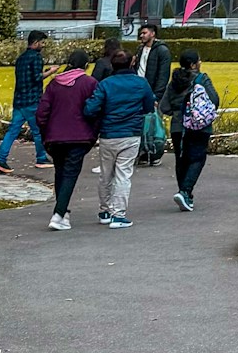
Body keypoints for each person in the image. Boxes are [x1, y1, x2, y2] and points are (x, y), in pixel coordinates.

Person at [83, 46, 156, 227]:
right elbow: (149, 107)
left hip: (108, 134)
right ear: (132, 62)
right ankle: (118, 214)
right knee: (124, 174)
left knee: (106, 174)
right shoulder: (140, 83)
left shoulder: (105, 84)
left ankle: (105, 210)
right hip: (130, 133)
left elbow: (90, 109)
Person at [37, 48, 99, 231]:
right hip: (79, 136)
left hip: (55, 137)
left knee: (61, 173)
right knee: (70, 174)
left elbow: (42, 112)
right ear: (86, 65)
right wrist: (93, 133)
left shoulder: (54, 83)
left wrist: (45, 132)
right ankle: (58, 214)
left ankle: (63, 213)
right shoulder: (90, 83)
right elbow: (95, 110)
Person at [165, 54, 220, 211]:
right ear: (194, 65)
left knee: (181, 159)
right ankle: (185, 191)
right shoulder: (201, 79)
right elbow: (215, 99)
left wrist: (177, 112)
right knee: (197, 158)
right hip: (199, 126)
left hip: (178, 126)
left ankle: (185, 193)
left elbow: (164, 106)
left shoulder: (174, 81)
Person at [0, 31, 52, 174]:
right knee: (38, 131)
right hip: (32, 101)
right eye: (42, 43)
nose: (43, 46)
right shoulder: (37, 57)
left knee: (12, 132)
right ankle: (41, 158)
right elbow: (36, 77)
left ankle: (1, 160)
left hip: (19, 100)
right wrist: (50, 72)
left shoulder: (21, 58)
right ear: (35, 42)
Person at [134, 22, 172, 167]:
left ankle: (154, 153)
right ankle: (143, 153)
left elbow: (163, 75)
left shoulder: (162, 51)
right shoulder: (140, 49)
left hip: (152, 93)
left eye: (144, 33)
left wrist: (156, 96)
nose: (141, 36)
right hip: (139, 92)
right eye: (141, 33)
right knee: (141, 124)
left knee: (154, 126)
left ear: (153, 33)